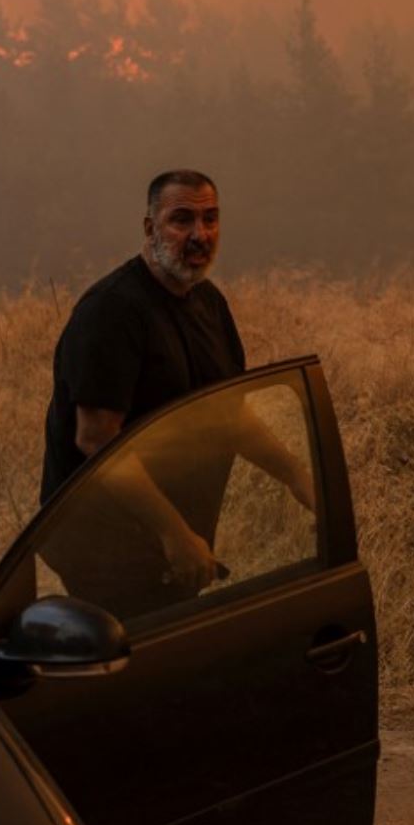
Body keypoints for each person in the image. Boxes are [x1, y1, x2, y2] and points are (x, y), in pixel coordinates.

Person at [38, 170, 313, 618]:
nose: (200, 234)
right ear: (149, 228)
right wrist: (174, 533)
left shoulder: (209, 303)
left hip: (175, 540)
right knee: (137, 672)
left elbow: (229, 415)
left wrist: (299, 477)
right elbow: (96, 438)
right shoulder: (111, 311)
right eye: (181, 220)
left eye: (211, 219)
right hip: (109, 547)